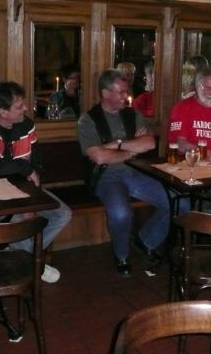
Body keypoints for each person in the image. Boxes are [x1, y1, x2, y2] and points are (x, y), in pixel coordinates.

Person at [0, 81, 71, 283]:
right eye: (19, 106)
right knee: (18, 225)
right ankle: (33, 263)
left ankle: (22, 257)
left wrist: (32, 202)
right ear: (3, 111)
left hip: (24, 188)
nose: (26, 108)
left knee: (62, 214)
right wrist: (25, 169)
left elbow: (37, 164)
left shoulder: (26, 125)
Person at [78, 69, 169, 277]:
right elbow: (99, 157)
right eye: (121, 92)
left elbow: (149, 143)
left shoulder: (133, 114)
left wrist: (115, 145)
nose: (126, 96)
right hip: (107, 177)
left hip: (137, 172)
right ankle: (122, 255)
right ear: (105, 93)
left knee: (178, 202)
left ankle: (146, 240)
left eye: (127, 91)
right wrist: (131, 149)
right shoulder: (88, 120)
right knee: (121, 213)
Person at [168, 66, 211, 165]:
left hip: (210, 166)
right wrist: (207, 153)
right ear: (198, 86)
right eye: (209, 88)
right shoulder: (182, 108)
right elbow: (180, 145)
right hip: (186, 163)